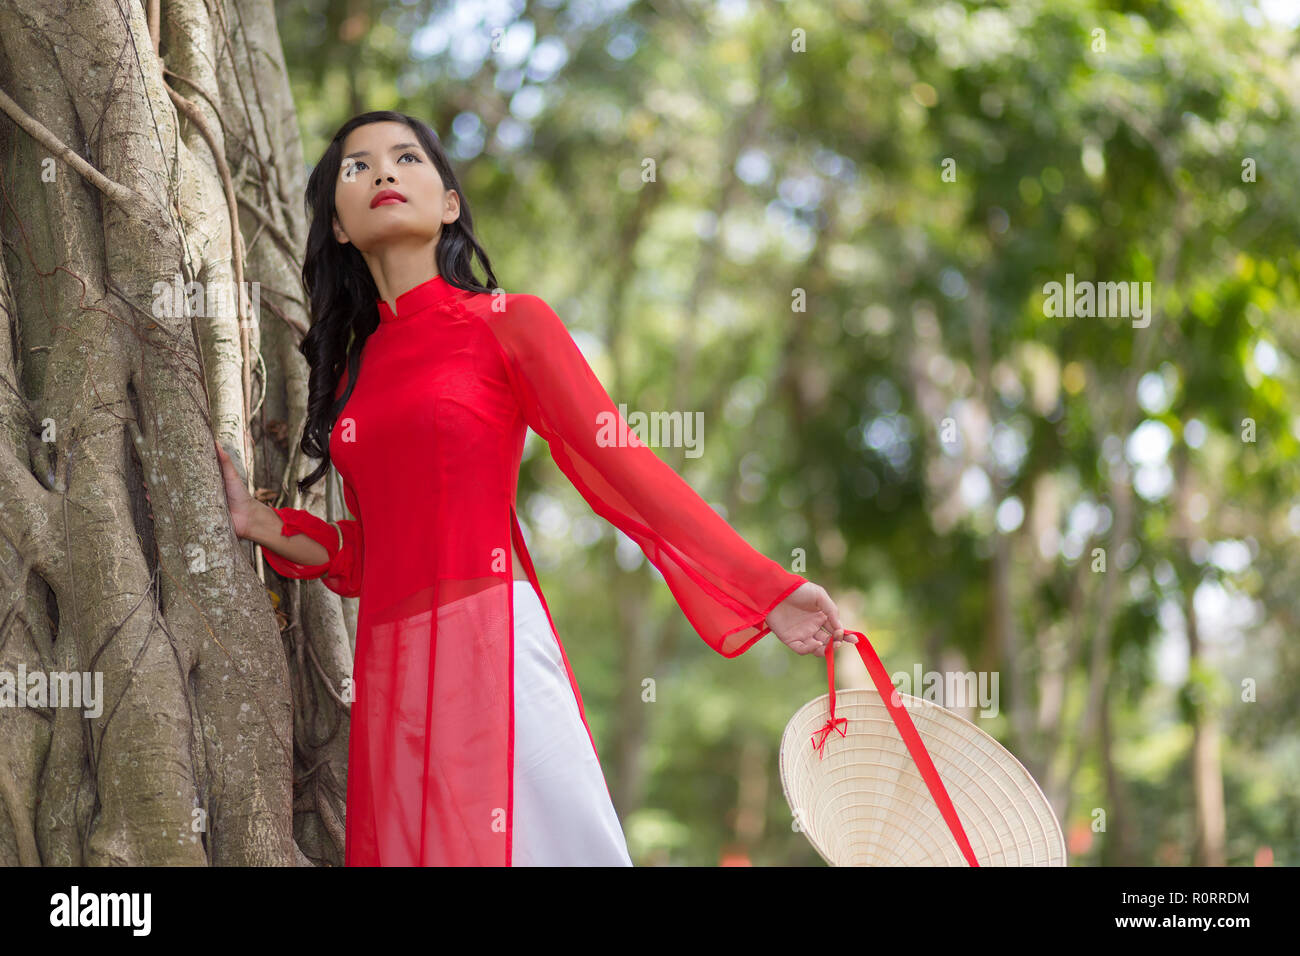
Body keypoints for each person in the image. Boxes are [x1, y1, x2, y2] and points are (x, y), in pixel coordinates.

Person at [217, 110, 856, 866]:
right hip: (392, 671)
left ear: (450, 203)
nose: (383, 173)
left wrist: (765, 588)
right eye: (357, 167)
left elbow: (623, 467)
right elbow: (372, 552)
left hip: (494, 639)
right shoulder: (354, 375)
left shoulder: (507, 323)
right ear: (340, 227)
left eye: (406, 158)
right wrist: (260, 522)